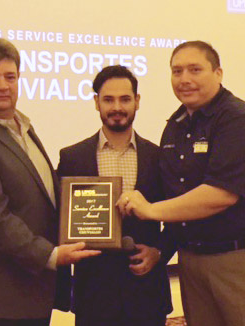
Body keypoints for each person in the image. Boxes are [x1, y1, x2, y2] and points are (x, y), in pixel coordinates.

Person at [117, 41, 245, 326]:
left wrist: (150, 209)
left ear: (218, 73)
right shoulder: (177, 125)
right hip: (195, 261)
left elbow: (221, 194)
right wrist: (161, 249)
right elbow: (179, 198)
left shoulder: (238, 119)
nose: (184, 79)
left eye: (195, 69)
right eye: (177, 71)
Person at [0, 38, 100, 326]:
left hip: (26, 293)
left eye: (10, 77)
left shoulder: (21, 127)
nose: (3, 85)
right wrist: (50, 254)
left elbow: (41, 198)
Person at [57, 65, 172, 326]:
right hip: (94, 293)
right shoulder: (72, 158)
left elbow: (178, 214)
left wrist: (160, 252)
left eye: (125, 99)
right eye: (108, 99)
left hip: (147, 291)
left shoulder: (159, 158)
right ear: (96, 102)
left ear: (137, 101)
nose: (117, 107)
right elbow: (59, 219)